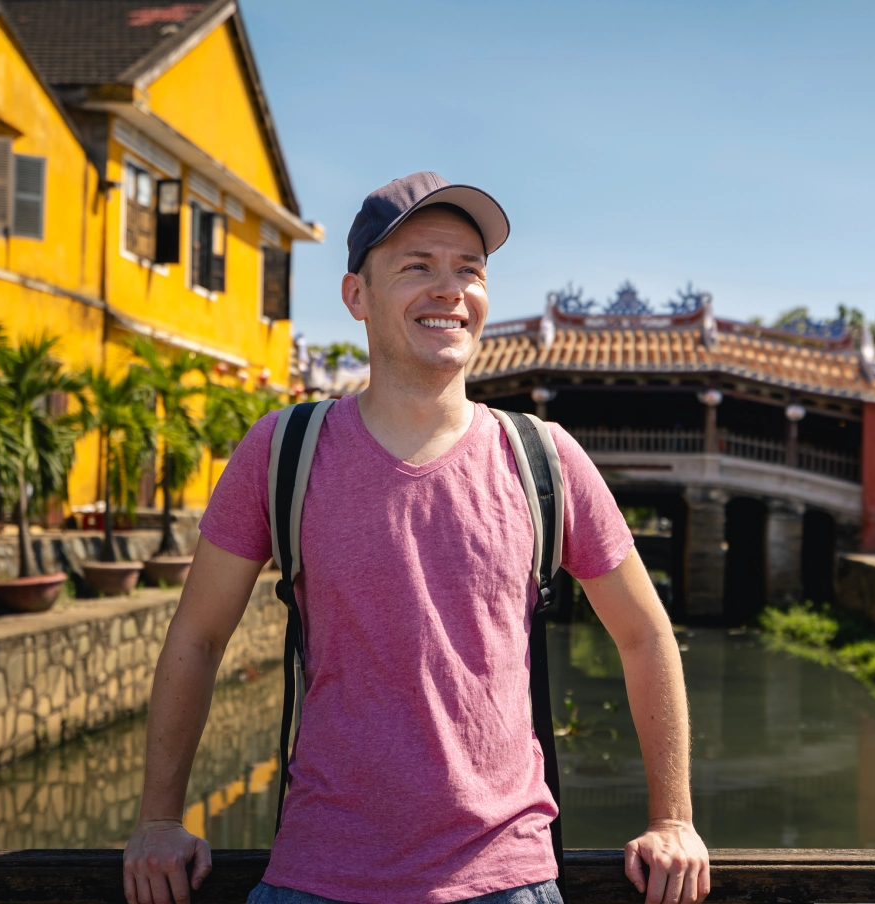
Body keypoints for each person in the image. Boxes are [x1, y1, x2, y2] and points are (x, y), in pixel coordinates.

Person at [122, 172, 711, 904]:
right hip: (317, 875)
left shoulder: (544, 459)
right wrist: (157, 819)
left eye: (470, 269)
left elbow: (646, 635)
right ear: (356, 297)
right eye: (417, 267)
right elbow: (198, 637)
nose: (450, 290)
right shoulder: (284, 451)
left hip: (507, 877)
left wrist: (673, 818)